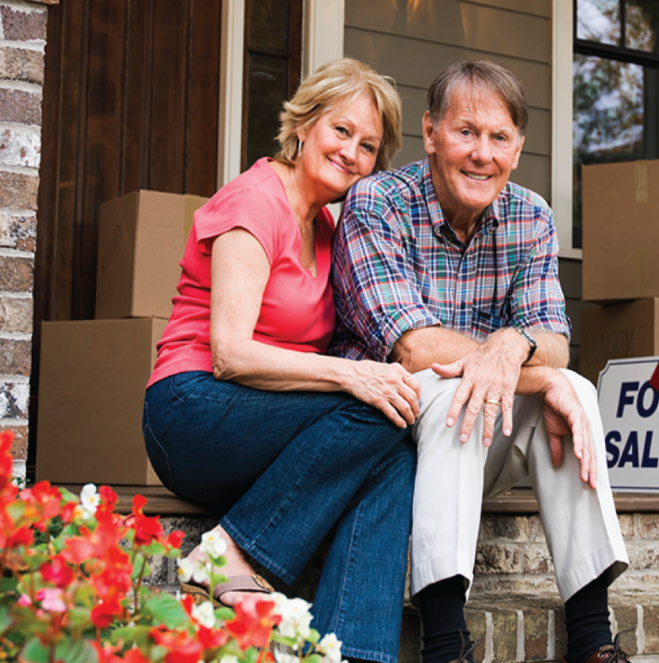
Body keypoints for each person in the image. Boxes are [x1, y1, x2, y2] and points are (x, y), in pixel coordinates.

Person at [332, 61, 632, 663]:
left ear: (518, 149)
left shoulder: (531, 215)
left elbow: (552, 338)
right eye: (466, 131)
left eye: (499, 138)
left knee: (569, 389)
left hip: (472, 442)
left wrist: (514, 348)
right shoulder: (377, 203)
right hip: (383, 436)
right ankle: (446, 644)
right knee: (464, 390)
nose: (481, 154)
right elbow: (412, 346)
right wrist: (532, 368)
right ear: (431, 133)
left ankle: (594, 638)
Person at [142, 57, 419, 663]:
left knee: (394, 442)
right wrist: (354, 375)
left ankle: (351, 654)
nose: (351, 152)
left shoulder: (327, 228)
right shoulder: (255, 201)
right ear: (304, 125)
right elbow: (230, 353)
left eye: (368, 145)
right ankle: (232, 555)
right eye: (340, 130)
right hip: (190, 410)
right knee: (378, 408)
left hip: (265, 426)